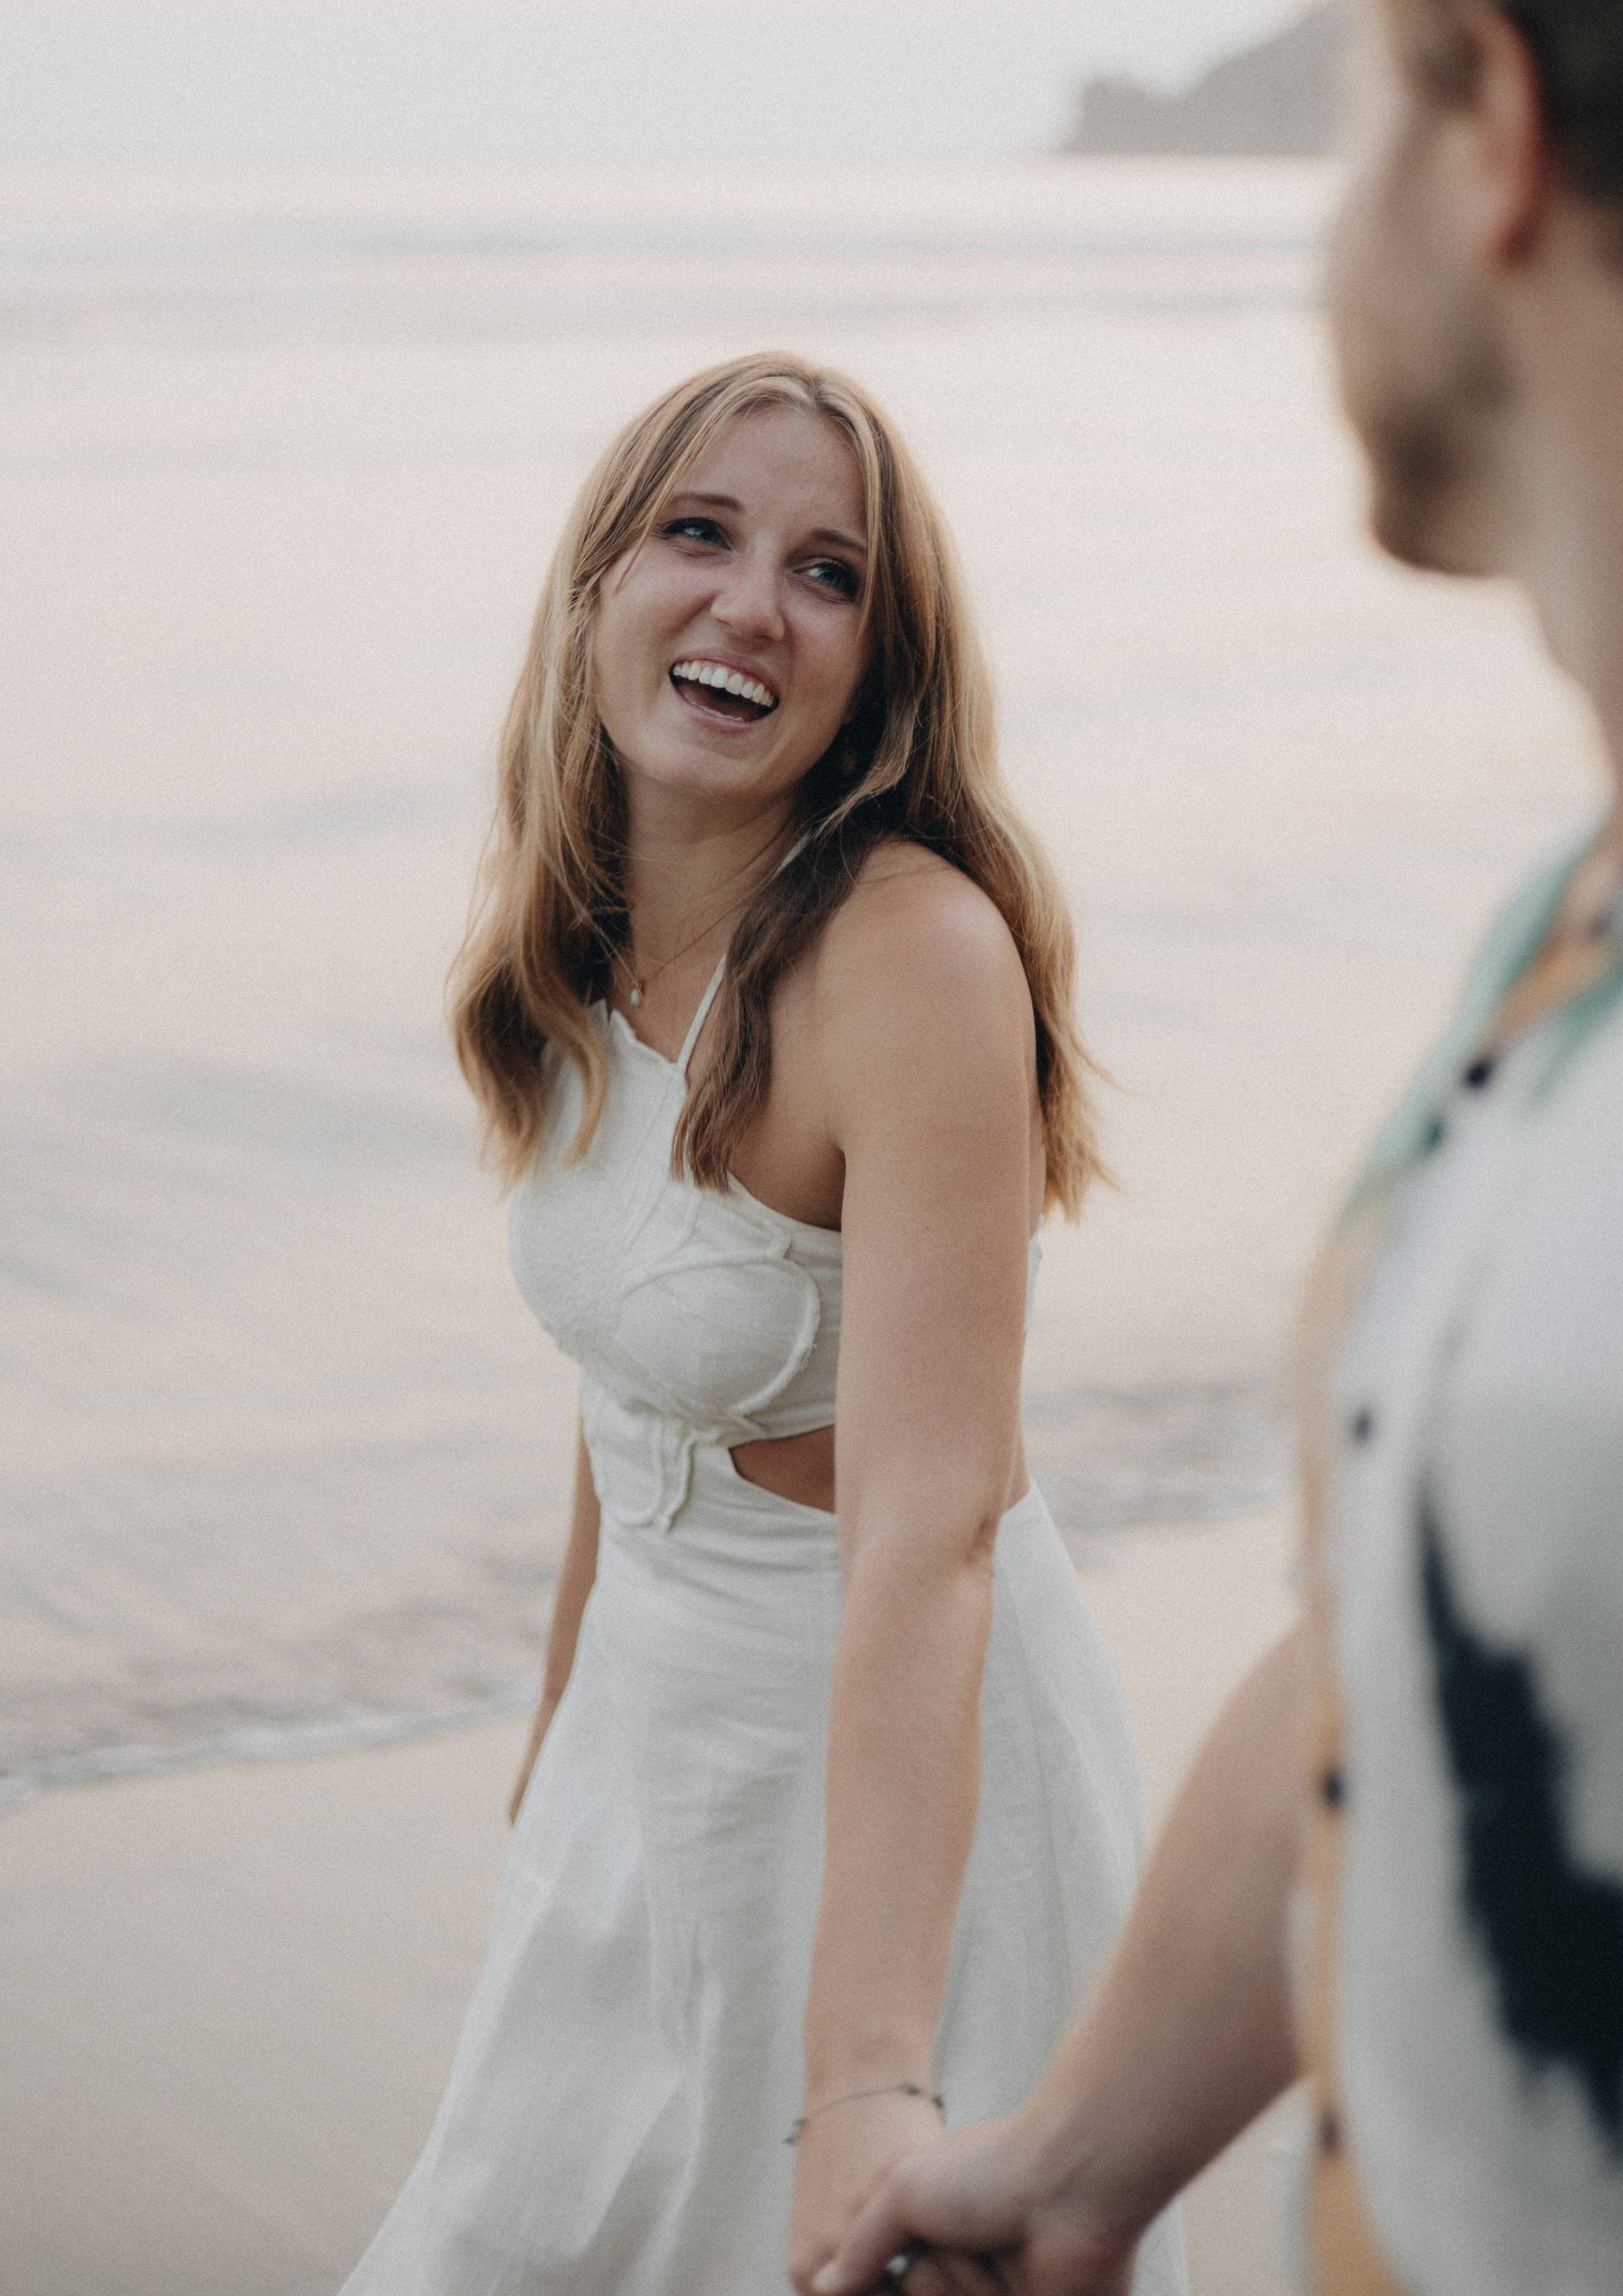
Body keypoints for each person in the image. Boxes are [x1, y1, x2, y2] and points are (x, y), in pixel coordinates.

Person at [816, 0, 1623, 2291]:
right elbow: (1400, 1628)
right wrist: (1070, 2170)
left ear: (1490, 130)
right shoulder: (1567, 942)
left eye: (1352, 114)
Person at [338, 354, 1187, 2296]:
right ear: (598, 589)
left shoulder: (909, 956)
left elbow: (930, 1535)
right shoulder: (577, 939)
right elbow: (628, 1372)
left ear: (878, 669)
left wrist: (871, 2065)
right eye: (700, 533)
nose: (748, 604)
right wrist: (560, 1736)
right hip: (655, 1731)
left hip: (892, 1777)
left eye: (828, 574)